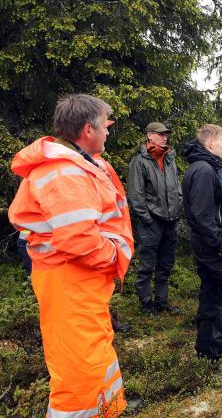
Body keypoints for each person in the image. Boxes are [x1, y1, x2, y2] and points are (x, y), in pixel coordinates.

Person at [9, 93, 134, 418]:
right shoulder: (66, 173)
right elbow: (79, 240)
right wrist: (113, 257)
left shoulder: (82, 164)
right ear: (88, 130)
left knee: (95, 349)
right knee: (79, 365)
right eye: (105, 126)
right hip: (71, 280)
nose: (109, 132)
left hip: (82, 281)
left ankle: (107, 408)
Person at [182, 124, 222, 359]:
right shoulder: (203, 171)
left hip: (210, 244)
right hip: (214, 247)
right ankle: (220, 353)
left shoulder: (205, 167)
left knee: (212, 296)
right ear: (210, 144)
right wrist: (220, 244)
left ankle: (206, 351)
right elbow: (201, 214)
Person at [126, 122, 182, 314]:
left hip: (170, 220)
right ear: (149, 135)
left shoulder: (169, 159)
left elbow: (177, 188)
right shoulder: (139, 162)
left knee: (165, 264)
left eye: (166, 134)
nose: (165, 137)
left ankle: (162, 302)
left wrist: (177, 209)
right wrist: (147, 219)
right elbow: (135, 196)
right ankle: (146, 304)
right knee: (147, 266)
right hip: (151, 222)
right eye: (160, 134)